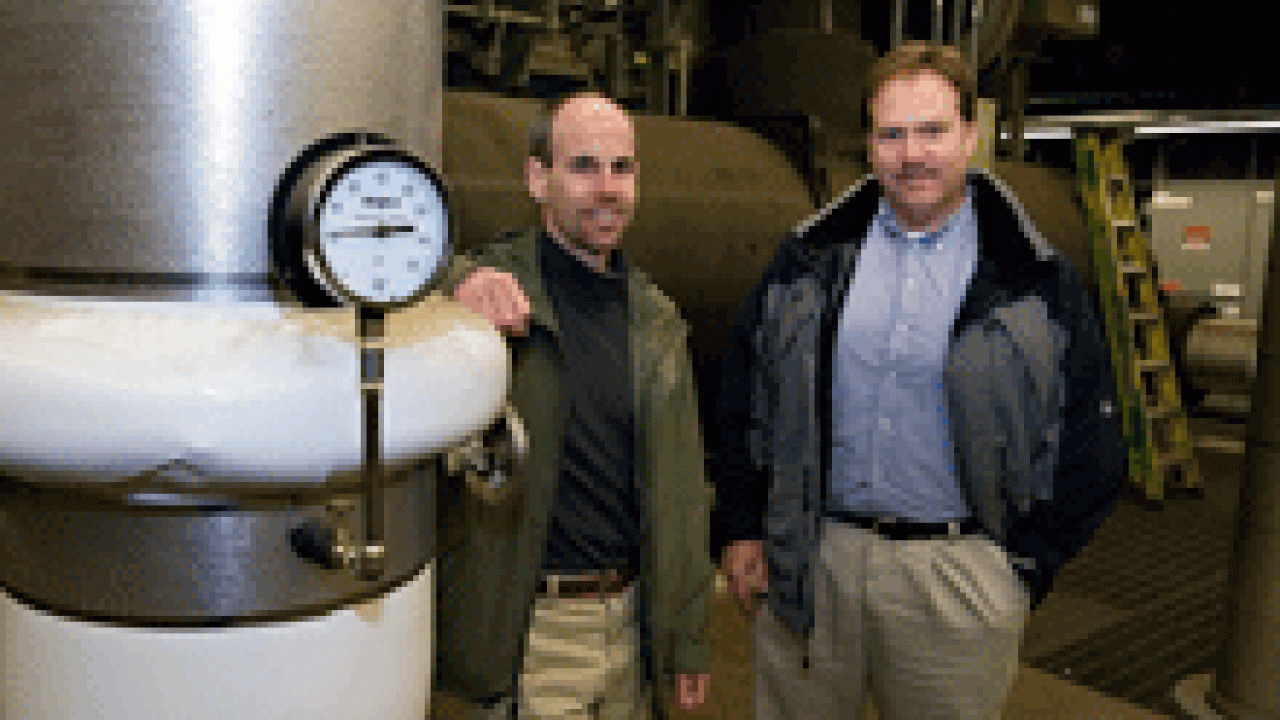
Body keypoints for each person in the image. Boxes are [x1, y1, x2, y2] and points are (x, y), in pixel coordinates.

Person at [709, 42, 1127, 720]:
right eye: (892, 134)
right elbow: (746, 393)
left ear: (969, 135)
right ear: (868, 145)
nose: (912, 154)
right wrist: (742, 527)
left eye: (933, 131)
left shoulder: (1030, 277)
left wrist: (1020, 569)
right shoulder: (811, 259)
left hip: (957, 578)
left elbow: (1093, 437)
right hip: (817, 562)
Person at [432, 89, 713, 720]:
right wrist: (458, 283)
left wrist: (684, 636)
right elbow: (389, 275)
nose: (607, 188)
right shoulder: (496, 292)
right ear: (539, 178)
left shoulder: (656, 320)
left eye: (622, 168)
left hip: (631, 630)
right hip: (539, 634)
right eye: (584, 167)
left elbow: (681, 494)